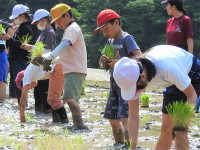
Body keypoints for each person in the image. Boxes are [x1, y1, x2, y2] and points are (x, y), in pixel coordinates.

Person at [113, 45, 200, 149]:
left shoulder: (167, 68)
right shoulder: (132, 75)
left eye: (136, 89)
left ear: (143, 76)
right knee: (166, 128)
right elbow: (133, 116)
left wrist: (182, 124)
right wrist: (132, 147)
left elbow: (191, 95)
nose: (135, 92)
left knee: (179, 131)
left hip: (192, 73)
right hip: (171, 80)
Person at [34, 3, 88, 129]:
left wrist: (49, 58)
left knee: (69, 97)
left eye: (59, 21)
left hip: (75, 69)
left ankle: (80, 125)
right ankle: (76, 125)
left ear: (67, 15)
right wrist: (46, 60)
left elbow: (64, 45)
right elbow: (62, 57)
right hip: (71, 69)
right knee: (70, 98)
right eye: (56, 22)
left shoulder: (72, 29)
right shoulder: (68, 30)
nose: (57, 24)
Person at [93, 9, 141, 147]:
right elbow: (103, 65)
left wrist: (119, 62)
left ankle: (130, 146)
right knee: (113, 119)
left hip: (127, 84)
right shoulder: (109, 41)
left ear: (116, 22)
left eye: (106, 29)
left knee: (125, 117)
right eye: (102, 31)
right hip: (114, 83)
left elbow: (139, 56)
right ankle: (118, 145)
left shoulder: (127, 38)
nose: (105, 33)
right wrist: (103, 61)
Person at [22, 9, 68, 122]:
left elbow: (50, 51)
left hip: (49, 67)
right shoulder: (44, 32)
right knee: (47, 97)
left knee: (50, 97)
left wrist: (31, 47)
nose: (37, 25)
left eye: (38, 22)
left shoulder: (50, 32)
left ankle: (61, 121)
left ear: (44, 20)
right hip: (42, 67)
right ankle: (54, 120)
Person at [0, 4, 34, 104]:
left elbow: (23, 46)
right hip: (16, 59)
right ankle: (18, 102)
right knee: (15, 83)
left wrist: (8, 39)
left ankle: (22, 103)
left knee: (20, 82)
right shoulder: (21, 27)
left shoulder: (27, 29)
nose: (14, 20)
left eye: (15, 18)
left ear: (22, 16)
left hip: (21, 60)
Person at [15, 54, 64, 122]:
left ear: (23, 80)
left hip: (57, 64)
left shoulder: (26, 76)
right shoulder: (33, 72)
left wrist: (22, 117)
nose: (30, 88)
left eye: (28, 87)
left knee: (53, 99)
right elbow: (37, 82)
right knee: (53, 98)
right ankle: (59, 122)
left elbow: (23, 100)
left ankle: (64, 123)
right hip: (59, 63)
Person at [0, 20, 14, 102]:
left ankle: (1, 99)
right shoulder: (4, 26)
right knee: (2, 78)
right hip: (2, 53)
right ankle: (1, 99)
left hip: (1, 53)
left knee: (2, 78)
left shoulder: (3, 26)